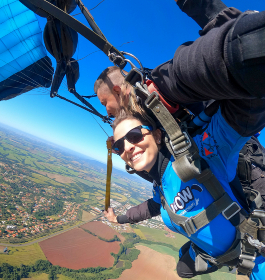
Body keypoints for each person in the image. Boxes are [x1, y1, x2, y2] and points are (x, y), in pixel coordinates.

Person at [105, 109, 265, 279]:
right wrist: (119, 219)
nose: (127, 147)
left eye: (135, 135)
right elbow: (153, 206)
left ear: (158, 136)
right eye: (119, 146)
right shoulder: (159, 186)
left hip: (257, 252)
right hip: (229, 255)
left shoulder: (201, 152)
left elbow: (244, 106)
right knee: (183, 269)